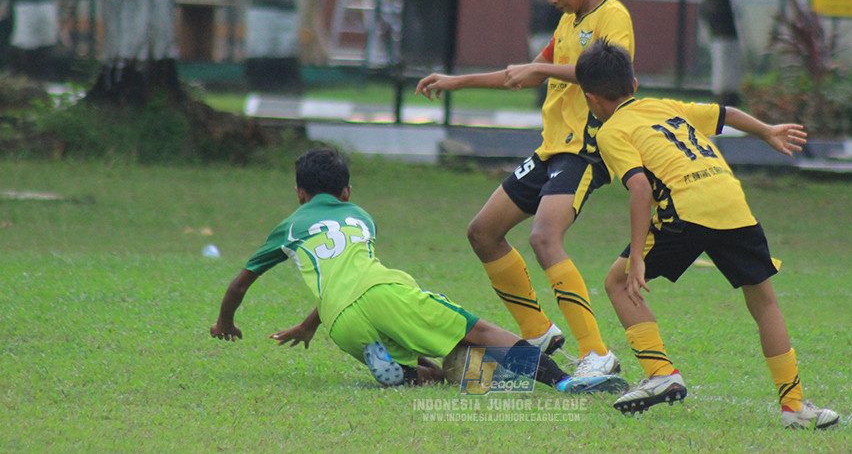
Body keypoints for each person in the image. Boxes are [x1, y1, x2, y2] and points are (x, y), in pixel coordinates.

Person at [574, 38, 840, 429]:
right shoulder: (664, 106)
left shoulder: (611, 130)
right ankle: (795, 407)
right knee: (765, 302)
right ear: (633, 84)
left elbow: (641, 189)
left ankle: (660, 372)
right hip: (731, 200)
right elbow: (725, 113)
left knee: (617, 283)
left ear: (591, 99)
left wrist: (635, 260)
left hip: (685, 208)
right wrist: (766, 131)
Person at [209, 146, 627, 394]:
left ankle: (407, 372)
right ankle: (561, 382)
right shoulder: (360, 216)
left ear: (300, 194)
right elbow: (357, 272)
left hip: (339, 322)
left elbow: (240, 284)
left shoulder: (291, 226)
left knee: (439, 369)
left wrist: (226, 322)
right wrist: (305, 325)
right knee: (477, 332)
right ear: (347, 192)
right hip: (382, 292)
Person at [415, 0, 634, 378]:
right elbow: (526, 74)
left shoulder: (613, 16)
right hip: (552, 149)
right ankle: (537, 331)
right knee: (483, 232)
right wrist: (458, 81)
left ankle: (596, 353)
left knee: (543, 237)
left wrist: (542, 67)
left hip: (586, 150)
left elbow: (611, 73)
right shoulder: (569, 22)